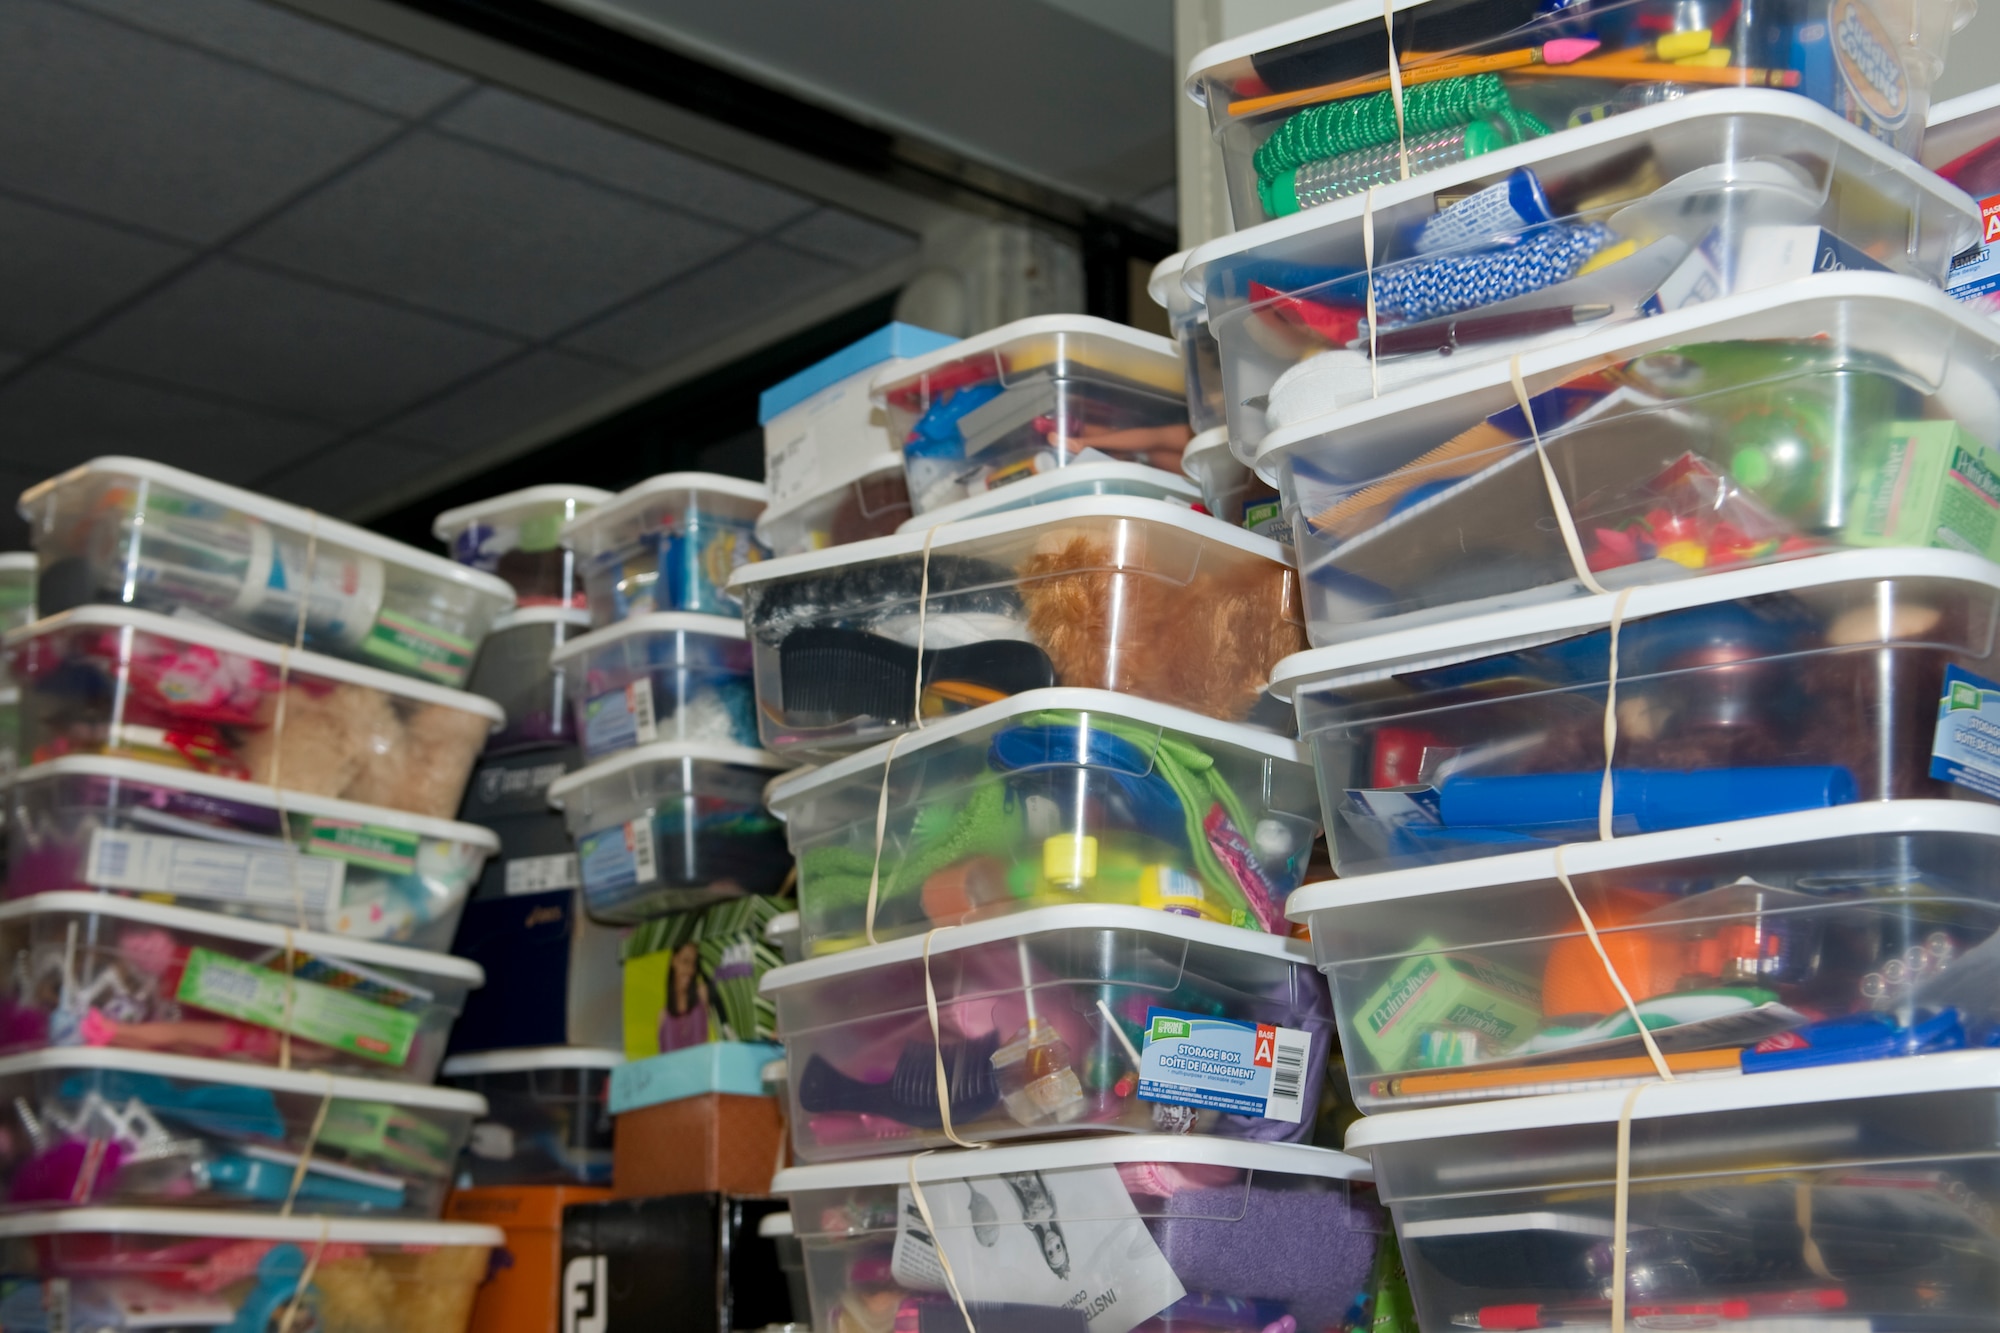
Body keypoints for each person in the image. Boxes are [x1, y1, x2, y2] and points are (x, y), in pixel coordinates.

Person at [656, 940, 710, 1051]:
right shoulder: (663, 1017)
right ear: (674, 961)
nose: (690, 970)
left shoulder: (701, 995)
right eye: (685, 962)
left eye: (693, 964)